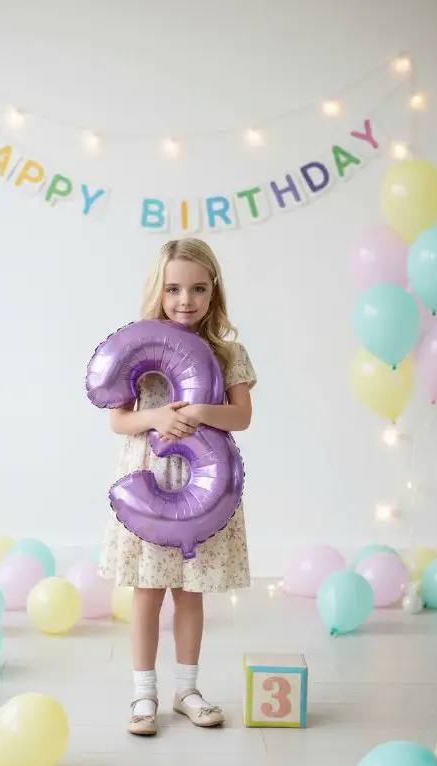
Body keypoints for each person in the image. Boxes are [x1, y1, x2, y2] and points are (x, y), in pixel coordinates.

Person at [99, 237, 256, 735]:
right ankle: (143, 694)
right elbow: (118, 421)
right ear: (159, 291)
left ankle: (187, 688)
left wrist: (197, 412)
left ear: (214, 293)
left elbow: (242, 416)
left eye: (198, 288)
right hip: (149, 482)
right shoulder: (141, 349)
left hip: (206, 492)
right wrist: (157, 417)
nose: (185, 299)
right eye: (173, 289)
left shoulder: (229, 352)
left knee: (191, 592)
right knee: (147, 590)